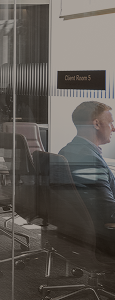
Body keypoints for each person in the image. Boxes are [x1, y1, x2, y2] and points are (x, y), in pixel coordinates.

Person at [58, 101, 115, 246]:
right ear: (96, 124)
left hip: (75, 227)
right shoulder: (89, 159)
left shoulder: (67, 150)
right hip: (100, 234)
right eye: (110, 123)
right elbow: (108, 210)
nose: (113, 128)